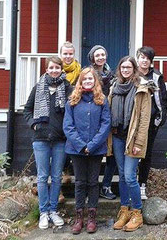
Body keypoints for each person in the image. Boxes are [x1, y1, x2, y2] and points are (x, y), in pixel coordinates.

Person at [23, 56, 72, 229]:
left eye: (57, 68)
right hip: (41, 139)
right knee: (43, 177)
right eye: (51, 68)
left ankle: (53, 210)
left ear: (61, 69)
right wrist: (33, 124)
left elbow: (72, 110)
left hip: (60, 140)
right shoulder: (39, 87)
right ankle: (43, 212)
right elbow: (27, 110)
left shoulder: (67, 88)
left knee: (57, 176)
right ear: (46, 69)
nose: (54, 70)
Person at [63, 67, 111, 234]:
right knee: (80, 182)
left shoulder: (102, 101)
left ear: (95, 81)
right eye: (85, 79)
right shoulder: (72, 101)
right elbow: (68, 126)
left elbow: (106, 125)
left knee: (92, 182)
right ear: (80, 81)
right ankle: (79, 217)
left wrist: (91, 145)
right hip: (76, 150)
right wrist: (81, 145)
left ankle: (92, 217)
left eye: (91, 79)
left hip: (96, 150)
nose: (88, 81)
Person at [108, 56, 152, 232]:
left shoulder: (142, 89)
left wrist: (139, 143)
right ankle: (124, 210)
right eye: (123, 67)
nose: (125, 70)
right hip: (117, 137)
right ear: (119, 69)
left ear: (134, 69)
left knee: (130, 176)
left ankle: (137, 213)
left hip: (132, 139)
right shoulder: (114, 87)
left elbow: (144, 120)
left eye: (129, 67)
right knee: (123, 176)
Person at [136, 46, 167, 200]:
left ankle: (142, 184)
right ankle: (130, 184)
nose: (144, 61)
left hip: (150, 121)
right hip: (132, 122)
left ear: (151, 61)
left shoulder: (156, 76)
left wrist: (160, 119)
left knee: (146, 154)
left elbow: (162, 98)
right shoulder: (132, 73)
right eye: (142, 57)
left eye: (147, 58)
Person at [87, 45, 117, 200]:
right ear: (92, 58)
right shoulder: (88, 75)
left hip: (109, 118)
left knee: (111, 155)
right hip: (92, 119)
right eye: (97, 55)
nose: (100, 57)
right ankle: (90, 186)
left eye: (102, 54)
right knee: (93, 154)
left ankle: (105, 185)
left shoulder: (112, 75)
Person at [59, 41, 81, 203]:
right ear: (61, 55)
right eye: (65, 54)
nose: (68, 57)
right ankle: (59, 183)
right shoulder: (56, 71)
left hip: (74, 114)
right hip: (58, 115)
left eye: (70, 54)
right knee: (60, 149)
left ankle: (68, 171)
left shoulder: (79, 72)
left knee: (70, 145)